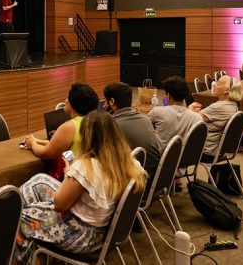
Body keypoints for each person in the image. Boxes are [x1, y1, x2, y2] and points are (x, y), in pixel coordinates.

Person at [12, 110, 146, 265]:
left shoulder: (86, 167)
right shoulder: (129, 162)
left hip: (80, 233)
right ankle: (35, 251)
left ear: (87, 136)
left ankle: (20, 255)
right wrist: (71, 176)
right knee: (39, 182)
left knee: (16, 219)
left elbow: (60, 204)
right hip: (99, 229)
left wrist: (69, 176)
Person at [22, 83, 99, 180]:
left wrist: (33, 144)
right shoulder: (96, 121)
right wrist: (38, 141)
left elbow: (46, 153)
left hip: (73, 180)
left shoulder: (69, 127)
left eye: (67, 97)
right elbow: (67, 149)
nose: (65, 101)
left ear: (72, 103)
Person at [103, 82, 161, 191]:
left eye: (106, 101)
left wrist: (106, 118)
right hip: (155, 180)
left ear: (111, 102)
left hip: (133, 187)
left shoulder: (111, 126)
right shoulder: (145, 119)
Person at [188, 75, 242, 158]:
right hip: (217, 149)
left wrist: (190, 109)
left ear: (226, 90)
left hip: (205, 149)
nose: (214, 84)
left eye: (219, 83)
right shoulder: (233, 105)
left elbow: (190, 120)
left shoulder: (219, 107)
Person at [148, 76, 202, 147]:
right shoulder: (197, 117)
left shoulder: (157, 111)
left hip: (159, 156)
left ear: (168, 95)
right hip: (183, 156)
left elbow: (144, 128)